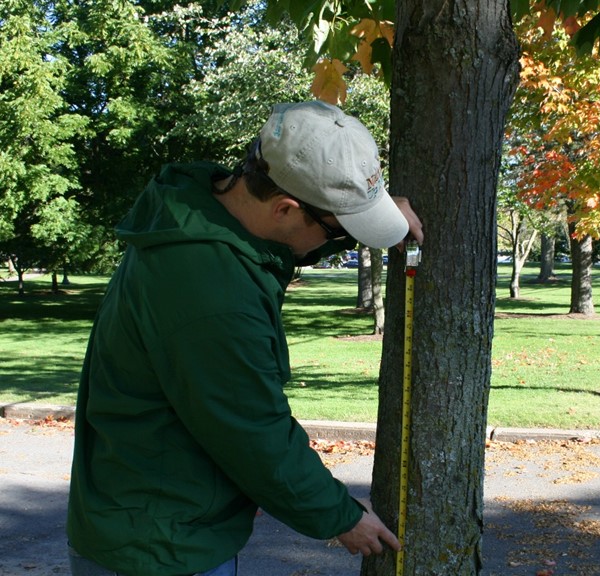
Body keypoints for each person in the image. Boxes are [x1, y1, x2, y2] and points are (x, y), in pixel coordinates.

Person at [67, 101, 423, 575]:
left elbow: (288, 241)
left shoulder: (199, 215)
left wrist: (365, 218)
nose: (335, 239)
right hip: (160, 548)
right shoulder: (212, 291)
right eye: (336, 228)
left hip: (154, 523)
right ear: (284, 207)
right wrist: (338, 515)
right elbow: (253, 431)